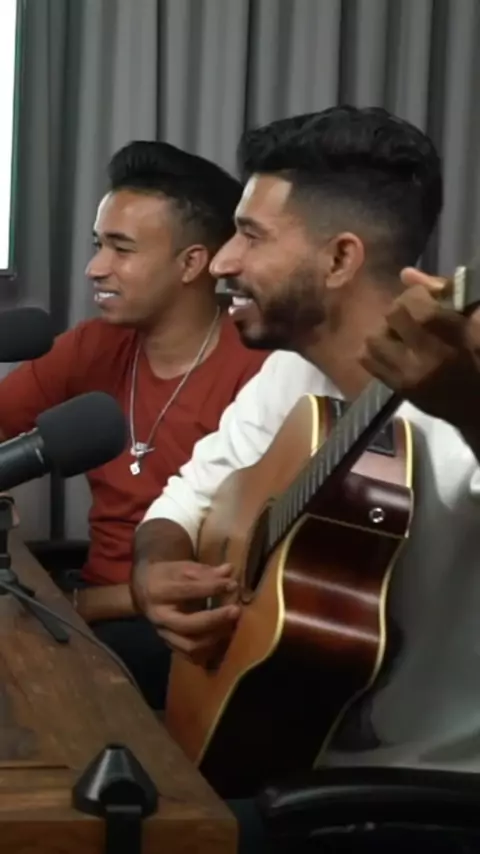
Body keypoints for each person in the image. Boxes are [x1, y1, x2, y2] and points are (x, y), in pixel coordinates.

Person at [133, 106, 480, 784]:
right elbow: (182, 502)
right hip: (282, 747)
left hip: (425, 792)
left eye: (250, 235)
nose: (221, 262)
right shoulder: (289, 376)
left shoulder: (464, 380)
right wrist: (157, 570)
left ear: (340, 258)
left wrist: (471, 409)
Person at [0, 140, 269, 707]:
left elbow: (236, 572)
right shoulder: (94, 346)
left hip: (185, 631)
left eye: (121, 249)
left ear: (192, 264)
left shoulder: (261, 371)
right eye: (97, 245)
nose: (95, 268)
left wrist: (88, 605)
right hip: (90, 605)